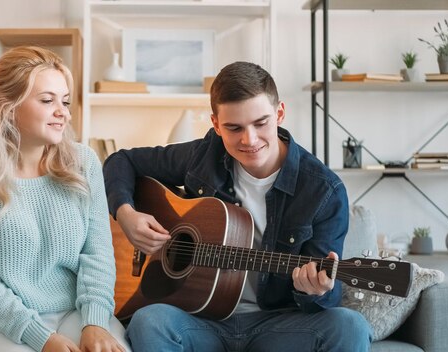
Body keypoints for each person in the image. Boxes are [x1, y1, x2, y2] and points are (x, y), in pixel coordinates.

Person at [103, 61, 372, 351]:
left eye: (261, 123)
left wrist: (315, 291)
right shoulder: (203, 156)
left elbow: (324, 305)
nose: (250, 140)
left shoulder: (323, 190)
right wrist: (126, 214)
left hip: (278, 324)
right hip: (201, 320)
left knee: (350, 326)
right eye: (234, 128)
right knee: (149, 321)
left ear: (279, 113)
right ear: (216, 124)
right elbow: (121, 161)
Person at [0, 46, 130, 352]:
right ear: (7, 106)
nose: (63, 112)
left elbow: (97, 255)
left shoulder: (84, 162)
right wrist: (41, 338)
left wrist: (95, 321)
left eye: (65, 101)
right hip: (4, 321)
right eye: (47, 100)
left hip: (78, 313)